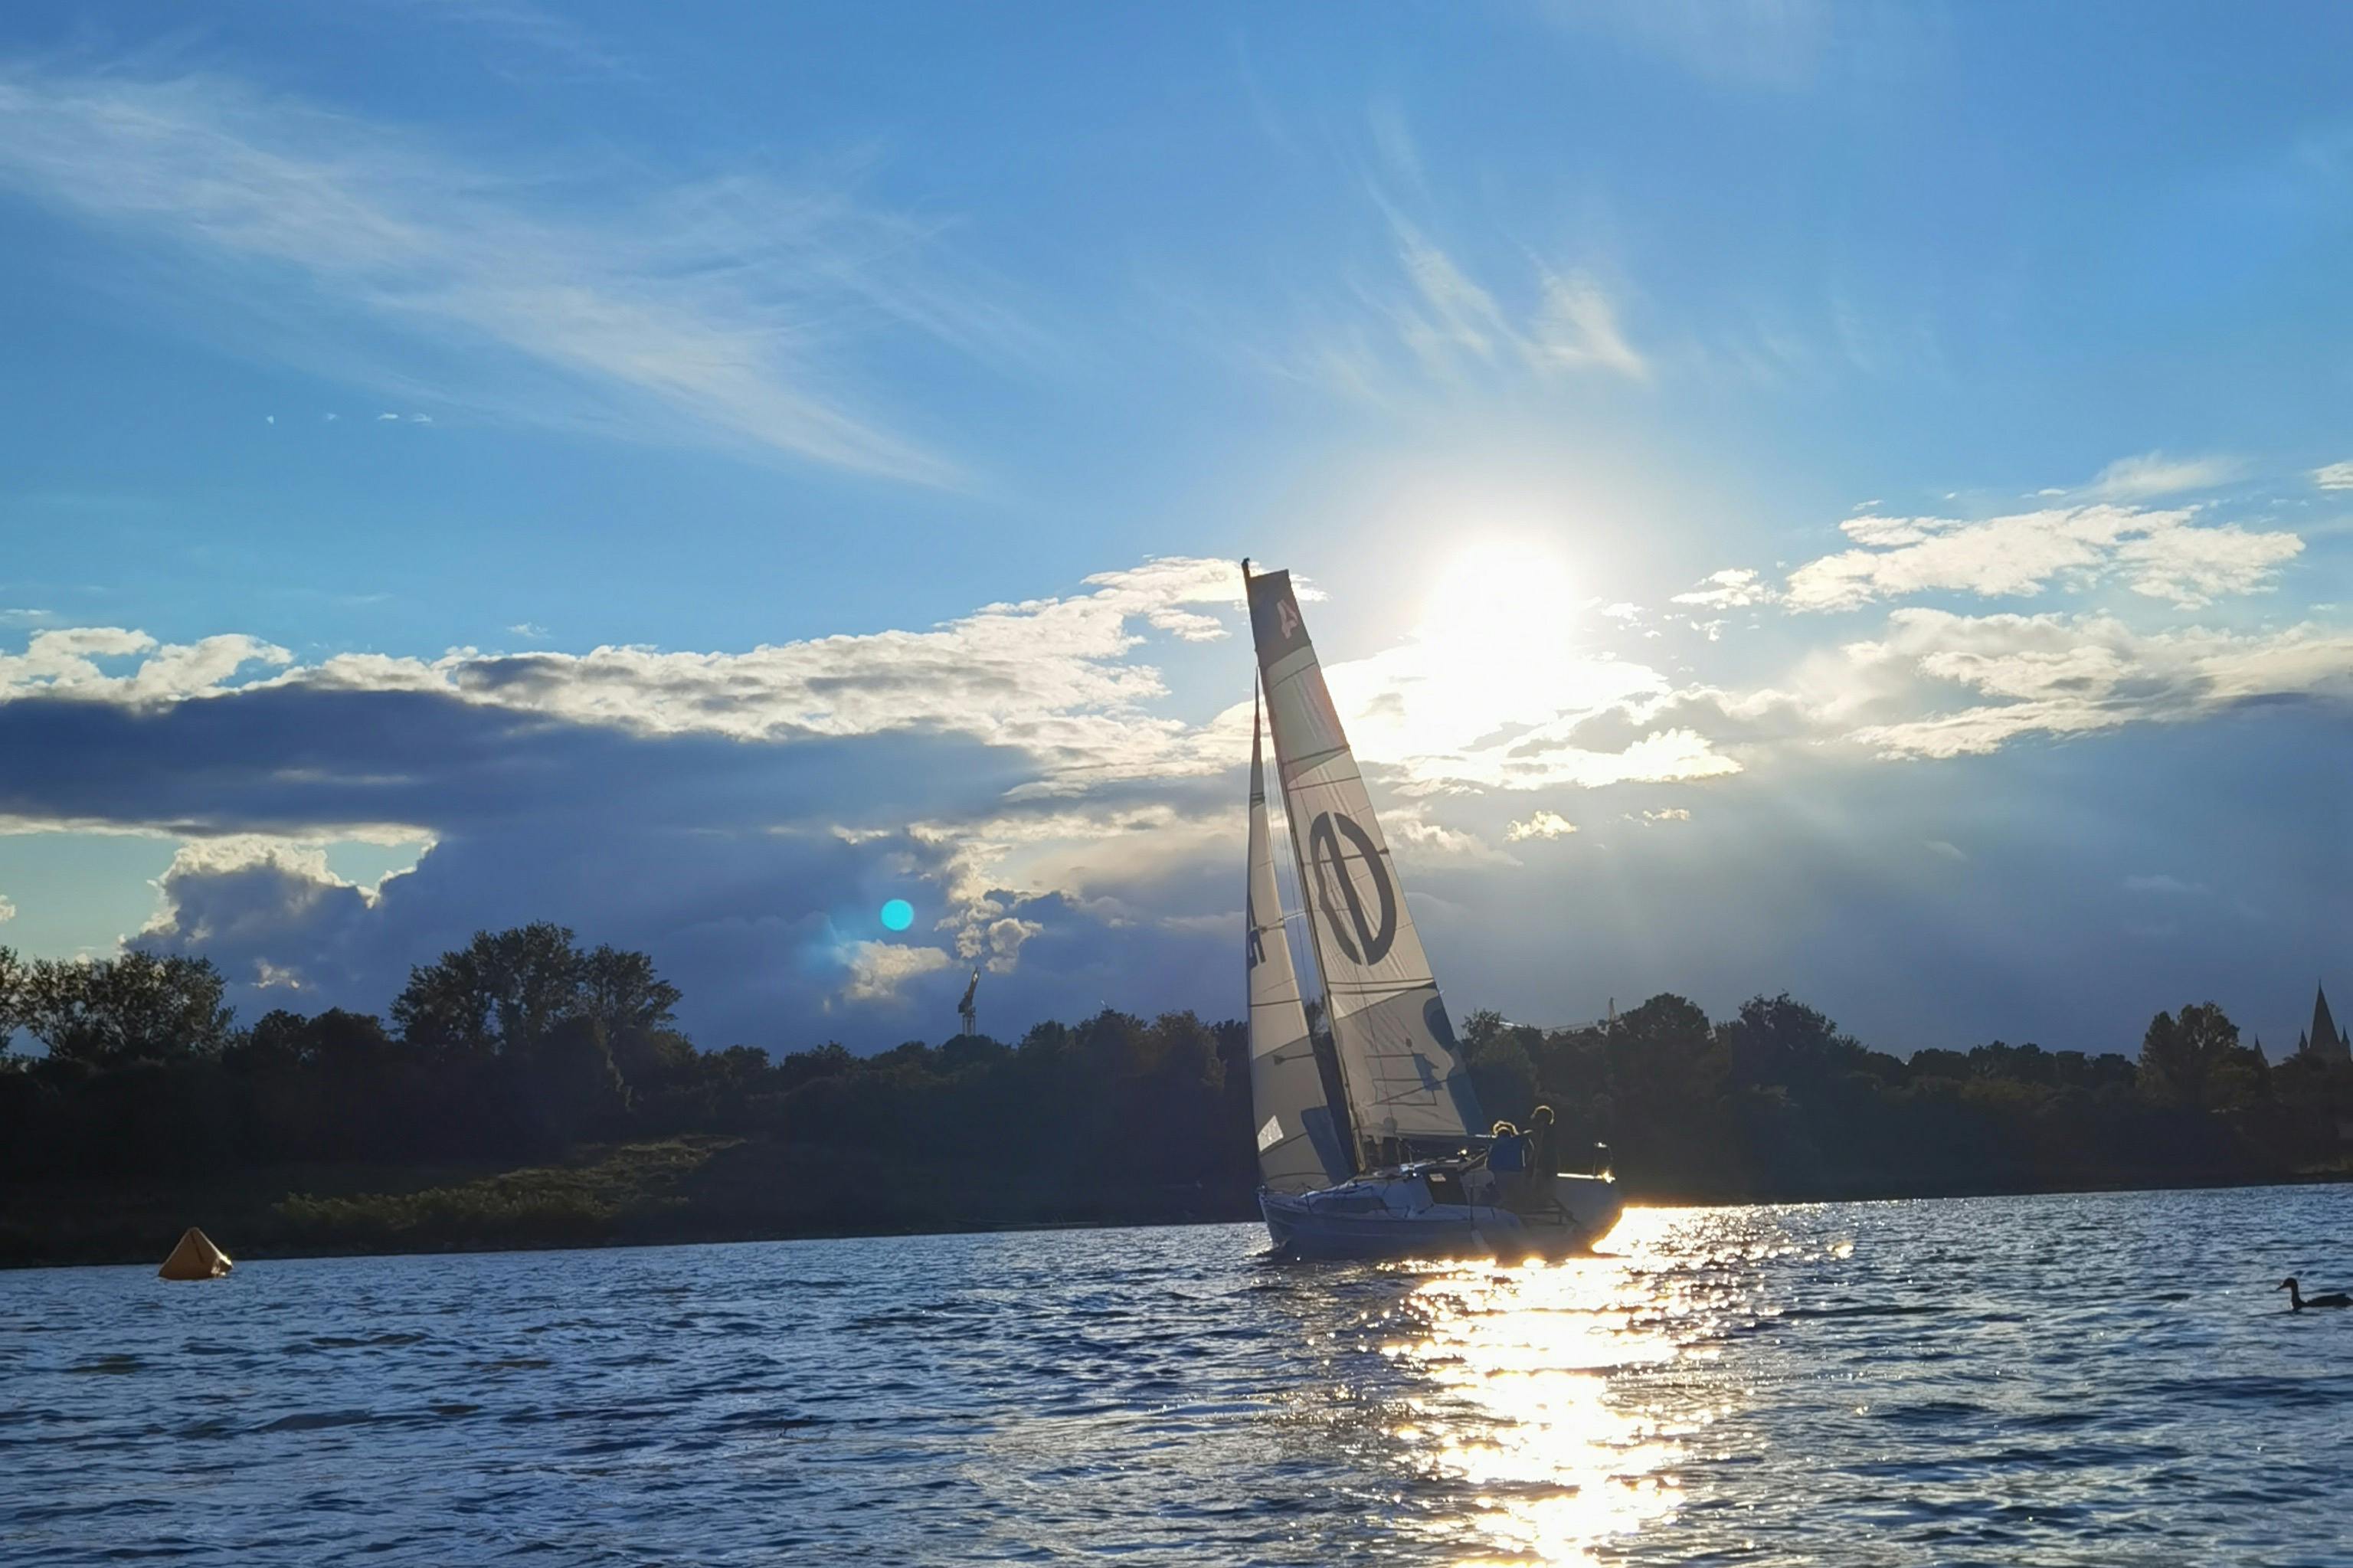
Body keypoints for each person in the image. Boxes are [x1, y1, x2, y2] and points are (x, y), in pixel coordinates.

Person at [1525, 1105, 1558, 1182]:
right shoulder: (1552, 1133)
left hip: (1541, 1168)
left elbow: (1537, 1151)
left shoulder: (1541, 1133)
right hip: (1549, 1168)